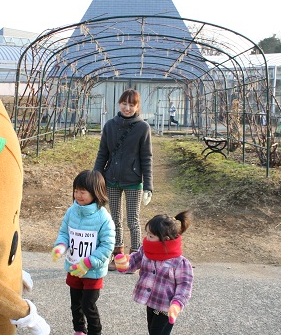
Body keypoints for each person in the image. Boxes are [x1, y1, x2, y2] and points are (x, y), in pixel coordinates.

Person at [93, 89, 153, 270]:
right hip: (111, 179)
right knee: (114, 220)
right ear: (119, 104)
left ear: (137, 107)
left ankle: (135, 258)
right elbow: (102, 153)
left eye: (131, 105)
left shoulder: (143, 128)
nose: (127, 108)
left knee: (132, 220)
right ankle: (118, 256)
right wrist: (95, 178)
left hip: (133, 180)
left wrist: (148, 185)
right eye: (124, 104)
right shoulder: (110, 126)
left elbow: (147, 158)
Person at [51, 170, 115, 335]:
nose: (78, 195)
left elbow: (107, 246)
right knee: (75, 304)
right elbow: (65, 233)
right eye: (76, 191)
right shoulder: (71, 211)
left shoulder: (104, 218)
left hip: (92, 271)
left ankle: (95, 331)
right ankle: (79, 330)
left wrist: (89, 262)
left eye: (82, 192)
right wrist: (60, 247)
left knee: (88, 305)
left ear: (95, 192)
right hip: (74, 268)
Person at [115, 211, 194, 335]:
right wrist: (124, 264)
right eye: (147, 234)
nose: (147, 238)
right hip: (152, 303)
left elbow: (184, 286)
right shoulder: (146, 251)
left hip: (166, 308)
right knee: (152, 330)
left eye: (151, 236)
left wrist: (177, 304)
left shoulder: (179, 263)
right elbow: (134, 260)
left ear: (165, 239)